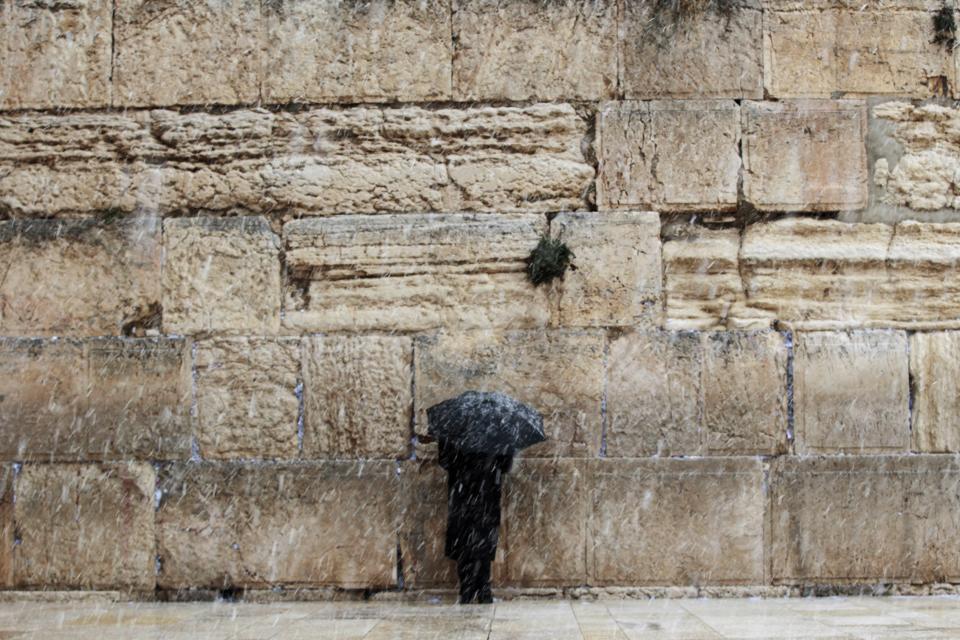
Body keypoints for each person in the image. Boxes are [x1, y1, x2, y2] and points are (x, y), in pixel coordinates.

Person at [437, 438, 514, 604]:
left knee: (463, 535)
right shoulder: (498, 426)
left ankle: (467, 586)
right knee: (484, 537)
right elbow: (506, 466)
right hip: (488, 490)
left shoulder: (452, 428)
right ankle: (483, 586)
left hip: (460, 491)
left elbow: (444, 461)